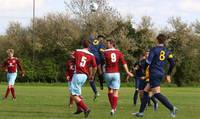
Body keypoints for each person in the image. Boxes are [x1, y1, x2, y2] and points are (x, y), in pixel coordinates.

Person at [133, 34, 177, 118]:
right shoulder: (168, 51)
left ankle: (172, 108)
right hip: (160, 73)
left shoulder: (154, 49)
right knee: (146, 91)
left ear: (157, 40)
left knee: (156, 93)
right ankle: (141, 112)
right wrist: (168, 74)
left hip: (154, 73)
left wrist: (143, 69)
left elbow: (148, 62)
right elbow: (172, 63)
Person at [103, 39, 133, 116]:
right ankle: (113, 109)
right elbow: (124, 63)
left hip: (108, 73)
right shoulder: (118, 52)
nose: (107, 44)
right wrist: (127, 72)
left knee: (110, 90)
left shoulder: (105, 52)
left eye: (108, 43)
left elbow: (102, 62)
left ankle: (112, 106)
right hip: (116, 73)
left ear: (111, 44)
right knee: (116, 91)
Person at [70, 39, 97, 118]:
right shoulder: (91, 55)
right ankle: (79, 109)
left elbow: (71, 55)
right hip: (85, 75)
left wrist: (74, 59)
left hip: (78, 74)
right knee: (77, 94)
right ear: (89, 46)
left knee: (73, 94)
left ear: (82, 45)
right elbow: (95, 67)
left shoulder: (77, 51)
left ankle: (86, 109)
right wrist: (92, 75)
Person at [89, 34, 105, 101]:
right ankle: (101, 84)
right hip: (97, 58)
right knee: (100, 70)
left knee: (93, 73)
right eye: (101, 38)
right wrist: (107, 52)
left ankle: (94, 81)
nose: (102, 39)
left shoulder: (91, 43)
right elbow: (101, 50)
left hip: (91, 57)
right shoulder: (100, 43)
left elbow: (89, 49)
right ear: (98, 38)